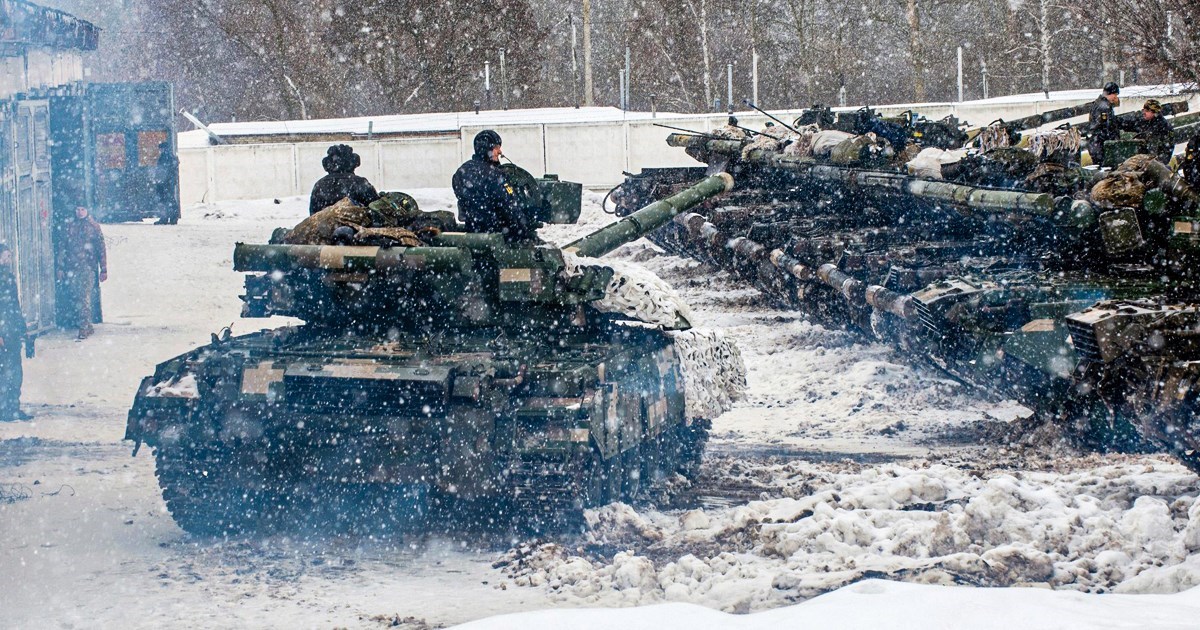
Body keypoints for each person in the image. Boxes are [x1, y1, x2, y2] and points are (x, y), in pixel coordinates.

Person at [451, 130, 539, 241]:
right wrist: (525, 231)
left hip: (473, 237)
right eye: (496, 148)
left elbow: (464, 204)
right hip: (498, 239)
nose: (500, 152)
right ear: (487, 149)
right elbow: (510, 207)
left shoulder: (461, 172)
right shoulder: (495, 175)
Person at [61, 206, 107, 340]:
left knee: (84, 297)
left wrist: (103, 269)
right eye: (77, 209)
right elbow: (63, 247)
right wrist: (60, 267)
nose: (79, 212)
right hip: (72, 267)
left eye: (82, 209)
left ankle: (84, 327)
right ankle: (87, 325)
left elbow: (101, 249)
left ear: (87, 211)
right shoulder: (69, 226)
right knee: (76, 295)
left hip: (88, 267)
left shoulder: (94, 227)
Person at [308, 144, 380, 215]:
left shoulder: (319, 185)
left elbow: (313, 214)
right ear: (353, 163)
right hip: (357, 224)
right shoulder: (360, 183)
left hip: (325, 225)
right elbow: (377, 210)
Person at [0, 245, 28, 421]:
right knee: (4, 372)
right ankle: (4, 409)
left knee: (16, 372)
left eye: (9, 257)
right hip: (3, 332)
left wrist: (23, 329)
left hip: (12, 330)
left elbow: (14, 306)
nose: (7, 260)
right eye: (4, 256)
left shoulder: (8, 278)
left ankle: (13, 407)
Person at [1087, 82, 1123, 166]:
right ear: (1111, 94)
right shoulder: (1104, 107)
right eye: (1115, 95)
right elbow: (1107, 126)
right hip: (1101, 145)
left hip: (1095, 144)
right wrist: (1114, 140)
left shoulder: (1098, 103)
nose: (1115, 98)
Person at [1133, 99, 1174, 165]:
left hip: (1155, 163)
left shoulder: (1164, 127)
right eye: (1144, 110)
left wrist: (1158, 163)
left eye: (1147, 111)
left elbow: (1167, 149)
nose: (1144, 113)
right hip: (1144, 161)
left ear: (1154, 112)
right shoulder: (1146, 122)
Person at [154, 141, 180, 225]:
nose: (160, 150)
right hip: (168, 181)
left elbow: (163, 170)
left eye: (161, 148)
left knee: (165, 200)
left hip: (165, 182)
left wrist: (159, 180)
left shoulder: (165, 156)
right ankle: (173, 218)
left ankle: (165, 218)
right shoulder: (171, 156)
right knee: (170, 199)